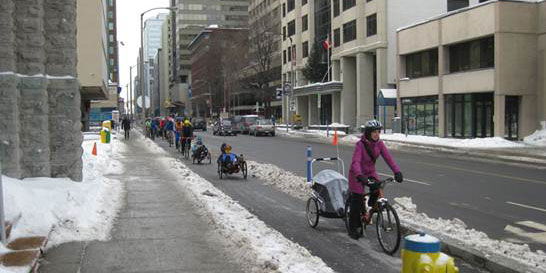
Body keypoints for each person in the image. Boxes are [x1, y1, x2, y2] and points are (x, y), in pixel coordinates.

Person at [347, 119, 403, 240]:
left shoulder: (379, 144)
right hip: (357, 174)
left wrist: (397, 171)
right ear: (368, 132)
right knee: (356, 199)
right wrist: (359, 176)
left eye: (378, 131)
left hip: (370, 171)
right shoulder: (360, 145)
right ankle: (352, 228)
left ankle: (370, 209)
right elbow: (356, 162)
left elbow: (389, 159)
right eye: (374, 132)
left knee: (377, 188)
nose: (376, 134)